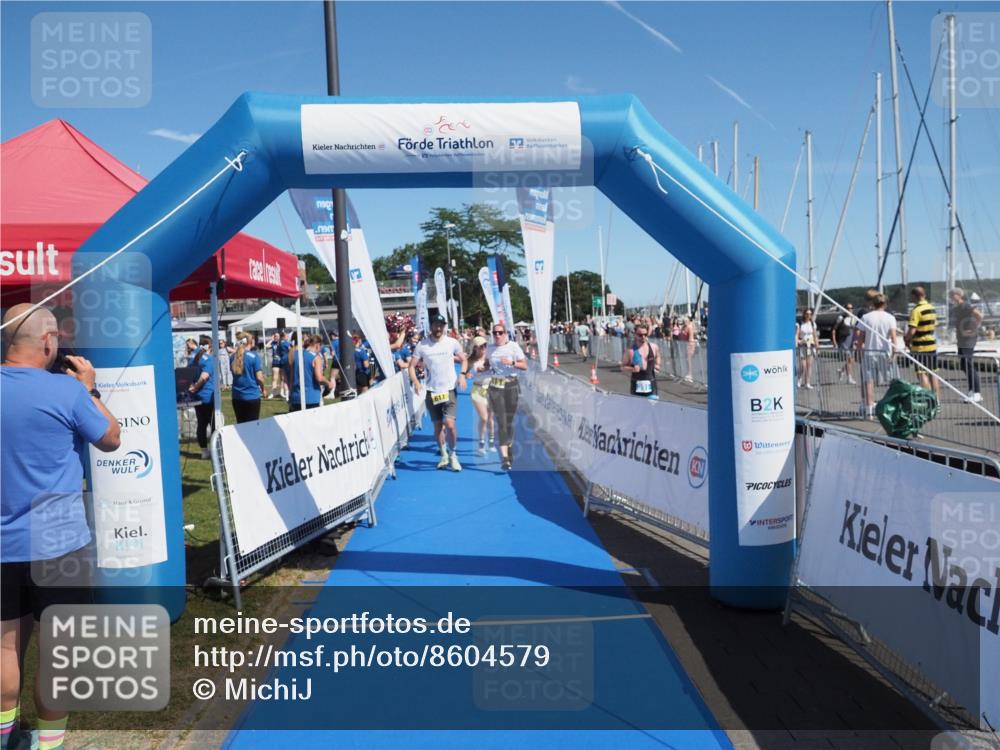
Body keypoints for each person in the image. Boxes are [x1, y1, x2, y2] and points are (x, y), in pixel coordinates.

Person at [1, 304, 121, 750]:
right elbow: (111, 438)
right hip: (60, 545)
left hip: (4, 546)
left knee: (4, 649)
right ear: (48, 341)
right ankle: (47, 745)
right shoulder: (65, 392)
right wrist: (89, 389)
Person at [410, 315, 468, 471]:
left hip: (449, 389)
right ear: (431, 326)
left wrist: (462, 375)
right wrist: (416, 382)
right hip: (432, 391)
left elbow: (464, 359)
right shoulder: (422, 345)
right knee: (437, 428)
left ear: (444, 327)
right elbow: (411, 366)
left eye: (441, 325)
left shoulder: (452, 342)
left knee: (450, 425)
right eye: (436, 325)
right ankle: (443, 454)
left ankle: (453, 454)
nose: (438, 328)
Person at [487, 321, 528, 471]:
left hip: (511, 386)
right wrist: (478, 369)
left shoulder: (513, 347)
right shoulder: (489, 349)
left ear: (505, 334)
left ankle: (508, 444)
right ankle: (505, 459)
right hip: (495, 387)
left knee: (509, 422)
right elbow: (487, 364)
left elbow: (524, 366)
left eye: (500, 332)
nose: (497, 335)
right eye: (494, 333)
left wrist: (512, 362)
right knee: (502, 422)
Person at [855, 293, 898, 420]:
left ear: (873, 303)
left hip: (869, 352)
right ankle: (891, 407)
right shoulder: (890, 318)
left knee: (868, 382)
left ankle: (869, 411)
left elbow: (860, 339)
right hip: (885, 351)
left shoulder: (866, 317)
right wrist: (894, 354)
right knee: (892, 381)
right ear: (885, 304)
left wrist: (858, 353)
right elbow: (894, 338)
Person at [904, 286, 939, 400]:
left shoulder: (916, 310)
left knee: (921, 372)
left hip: (920, 346)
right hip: (931, 344)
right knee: (933, 373)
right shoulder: (932, 308)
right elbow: (934, 325)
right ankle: (937, 399)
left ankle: (929, 399)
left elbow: (912, 330)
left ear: (915, 296)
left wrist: (906, 339)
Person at [949, 287, 983, 403]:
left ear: (958, 295)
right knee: (964, 364)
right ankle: (971, 390)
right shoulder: (957, 308)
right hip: (961, 339)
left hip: (969, 339)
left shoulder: (966, 306)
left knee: (968, 364)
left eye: (952, 295)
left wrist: (973, 328)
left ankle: (977, 392)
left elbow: (979, 315)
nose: (950, 297)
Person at [187, 335, 216, 458]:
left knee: (201, 423)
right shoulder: (208, 359)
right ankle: (215, 451)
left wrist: (192, 388)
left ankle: (204, 451)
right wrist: (196, 387)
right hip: (207, 396)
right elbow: (204, 376)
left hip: (197, 397)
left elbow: (187, 373)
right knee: (213, 423)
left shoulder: (193, 357)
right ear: (210, 345)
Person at [288, 335, 334, 411]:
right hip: (311, 397)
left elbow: (292, 378)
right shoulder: (316, 358)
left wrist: (290, 394)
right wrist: (328, 383)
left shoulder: (296, 356)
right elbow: (319, 378)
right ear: (317, 345)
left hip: (296, 397)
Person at [467, 336, 496, 456]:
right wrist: (474, 372)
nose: (483, 348)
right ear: (475, 348)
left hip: (491, 389)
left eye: (485, 345)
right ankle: (481, 444)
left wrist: (491, 367)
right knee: (483, 418)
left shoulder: (491, 358)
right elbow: (467, 374)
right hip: (477, 390)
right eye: (480, 346)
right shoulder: (470, 361)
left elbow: (499, 370)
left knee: (490, 418)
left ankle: (491, 442)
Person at [230, 333, 265, 423]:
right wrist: (263, 388)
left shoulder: (232, 357)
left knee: (240, 425)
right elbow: (259, 377)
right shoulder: (254, 356)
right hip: (251, 396)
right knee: (252, 427)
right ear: (249, 342)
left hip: (237, 396)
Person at [621, 322, 660, 398]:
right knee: (637, 409)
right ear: (635, 335)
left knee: (653, 407)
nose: (643, 337)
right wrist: (632, 369)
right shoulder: (630, 351)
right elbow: (622, 367)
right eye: (640, 335)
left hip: (651, 384)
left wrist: (657, 364)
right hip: (637, 386)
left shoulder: (653, 347)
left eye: (645, 334)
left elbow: (658, 356)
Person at [833, 303, 858, 384]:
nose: (849, 310)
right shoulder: (841, 318)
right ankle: (849, 378)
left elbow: (856, 330)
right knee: (849, 359)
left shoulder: (854, 318)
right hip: (843, 341)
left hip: (851, 341)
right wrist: (834, 342)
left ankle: (842, 371)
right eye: (847, 308)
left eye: (851, 308)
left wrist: (856, 340)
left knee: (852, 360)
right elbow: (834, 329)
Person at [795, 309, 819, 389]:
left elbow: (815, 335)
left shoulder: (812, 323)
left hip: (810, 345)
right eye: (807, 314)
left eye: (810, 314)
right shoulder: (800, 323)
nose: (809, 315)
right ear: (804, 314)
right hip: (803, 344)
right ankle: (799, 380)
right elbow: (797, 334)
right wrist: (798, 341)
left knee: (809, 365)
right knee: (803, 365)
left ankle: (807, 383)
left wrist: (817, 345)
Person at [267, 332, 283, 399]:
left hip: (282, 362)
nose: (276, 337)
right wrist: (271, 339)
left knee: (282, 379)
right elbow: (266, 346)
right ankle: (273, 393)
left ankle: (282, 392)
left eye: (277, 336)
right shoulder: (273, 343)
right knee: (274, 378)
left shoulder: (282, 343)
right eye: (275, 336)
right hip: (275, 362)